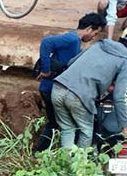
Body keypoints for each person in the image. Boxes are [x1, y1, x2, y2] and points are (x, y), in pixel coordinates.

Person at [50, 27, 127, 149]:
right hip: (79, 96)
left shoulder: (100, 45)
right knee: (86, 132)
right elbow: (120, 96)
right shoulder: (126, 61)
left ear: (120, 38)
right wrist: (125, 126)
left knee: (67, 128)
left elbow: (71, 62)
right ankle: (81, 160)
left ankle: (65, 159)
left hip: (58, 87)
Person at [34, 12, 107, 152]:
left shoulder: (75, 42)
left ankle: (43, 152)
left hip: (53, 87)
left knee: (55, 123)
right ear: (89, 29)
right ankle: (41, 152)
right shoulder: (72, 39)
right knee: (57, 123)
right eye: (95, 33)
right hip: (52, 87)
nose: (93, 37)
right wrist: (46, 69)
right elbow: (46, 42)